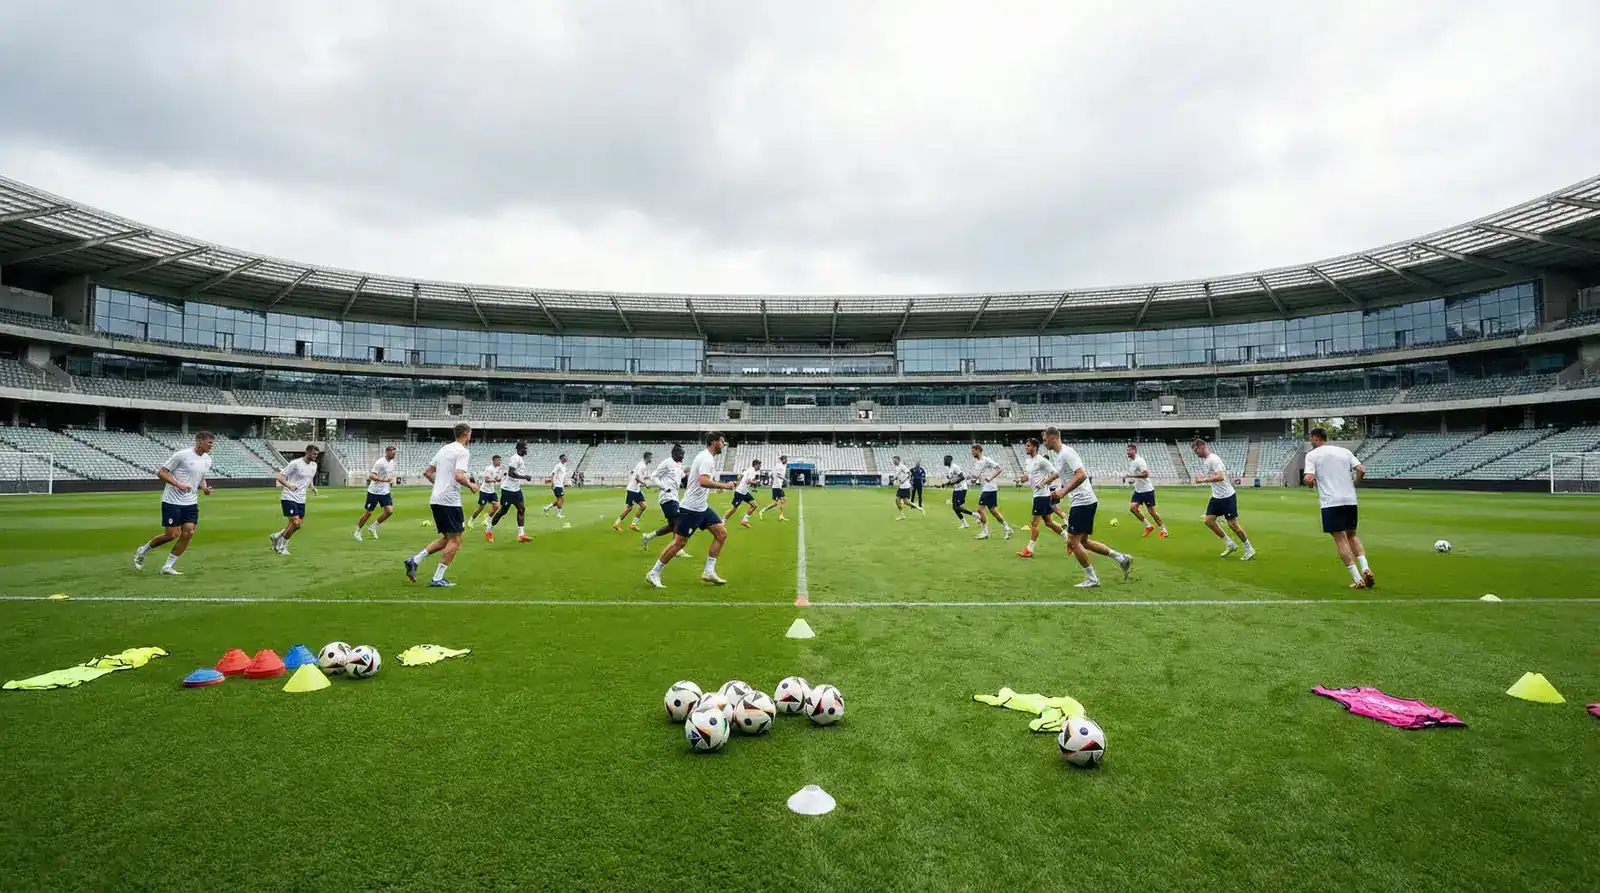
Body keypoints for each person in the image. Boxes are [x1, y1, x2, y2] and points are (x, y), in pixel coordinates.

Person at [1043, 427, 1133, 588]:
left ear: (1053, 438)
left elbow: (1081, 474)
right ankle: (1121, 558)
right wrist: (1048, 482)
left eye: (1044, 439)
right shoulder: (1059, 456)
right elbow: (1063, 473)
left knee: (1072, 541)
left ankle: (1092, 579)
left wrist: (1063, 491)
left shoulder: (1067, 453)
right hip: (1083, 501)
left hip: (1083, 501)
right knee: (1083, 542)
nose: (1043, 442)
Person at [647, 431, 735, 588]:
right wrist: (724, 485)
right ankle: (654, 573)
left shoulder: (706, 457)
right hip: (691, 508)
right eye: (722, 441)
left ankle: (709, 571)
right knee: (679, 543)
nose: (723, 444)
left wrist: (717, 485)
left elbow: (704, 480)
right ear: (714, 442)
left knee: (721, 534)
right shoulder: (707, 458)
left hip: (702, 507)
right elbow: (703, 481)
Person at [405, 422, 479, 587]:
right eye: (470, 434)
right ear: (466, 434)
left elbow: (427, 472)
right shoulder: (463, 452)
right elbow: (459, 476)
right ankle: (437, 578)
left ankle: (414, 560)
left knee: (448, 538)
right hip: (450, 501)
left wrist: (439, 485)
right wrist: (472, 485)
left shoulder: (444, 449)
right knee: (456, 540)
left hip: (436, 498)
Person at [133, 431, 214, 575]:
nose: (211, 446)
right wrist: (178, 484)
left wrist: (205, 488)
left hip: (191, 502)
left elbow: (201, 477)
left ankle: (167, 566)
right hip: (172, 501)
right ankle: (143, 550)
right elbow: (162, 473)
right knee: (171, 535)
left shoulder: (208, 459)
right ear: (199, 441)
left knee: (189, 532)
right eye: (209, 442)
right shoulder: (182, 455)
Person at [1303, 427, 1374, 589]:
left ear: (1315, 438)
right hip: (1350, 500)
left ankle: (1358, 578)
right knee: (1352, 536)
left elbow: (1308, 478)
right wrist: (1355, 483)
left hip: (1331, 502)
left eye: (1310, 438)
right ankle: (1366, 568)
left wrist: (1310, 483)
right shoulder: (1344, 451)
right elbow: (1361, 469)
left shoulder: (1312, 455)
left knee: (1340, 539)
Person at [1192, 439, 1255, 560]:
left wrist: (1203, 480)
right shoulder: (1206, 461)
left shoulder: (1214, 459)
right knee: (1208, 521)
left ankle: (1249, 548)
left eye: (1196, 450)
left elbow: (1220, 477)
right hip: (1216, 496)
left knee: (1232, 525)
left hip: (1227, 496)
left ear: (1202, 446)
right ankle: (1230, 544)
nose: (1196, 453)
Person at [1015, 438, 1067, 558]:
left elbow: (1056, 473)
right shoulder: (1029, 461)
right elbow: (1029, 477)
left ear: (1034, 447)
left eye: (1028, 446)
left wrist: (1043, 483)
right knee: (1049, 522)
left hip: (1042, 496)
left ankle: (1029, 549)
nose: (1026, 448)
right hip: (1038, 496)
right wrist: (1021, 479)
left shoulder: (1042, 461)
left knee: (1034, 522)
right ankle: (1068, 537)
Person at [641, 444, 691, 558]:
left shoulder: (678, 465)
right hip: (667, 497)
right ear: (674, 453)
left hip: (674, 497)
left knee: (672, 526)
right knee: (680, 519)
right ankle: (677, 549)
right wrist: (664, 487)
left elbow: (680, 476)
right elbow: (654, 476)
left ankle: (648, 537)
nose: (683, 457)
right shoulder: (666, 463)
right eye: (681, 454)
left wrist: (686, 471)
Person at [269, 445, 319, 556]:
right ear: (307, 453)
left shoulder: (314, 465)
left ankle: (276, 536)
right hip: (289, 496)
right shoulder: (295, 463)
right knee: (295, 522)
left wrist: (312, 487)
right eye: (314, 454)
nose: (316, 456)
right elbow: (279, 476)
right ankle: (282, 548)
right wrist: (289, 485)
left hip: (301, 499)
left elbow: (309, 477)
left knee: (297, 525)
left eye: (317, 454)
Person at [485, 441, 532, 543]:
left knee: (521, 509)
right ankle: (488, 530)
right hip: (508, 489)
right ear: (520, 449)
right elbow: (511, 474)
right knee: (503, 511)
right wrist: (525, 477)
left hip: (516, 489)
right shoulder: (515, 458)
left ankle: (521, 535)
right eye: (525, 448)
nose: (526, 450)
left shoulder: (520, 459)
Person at [969, 443, 1014, 540]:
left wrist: (990, 477)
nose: (972, 453)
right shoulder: (978, 462)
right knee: (993, 511)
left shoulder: (986, 460)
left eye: (973, 451)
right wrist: (974, 479)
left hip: (989, 487)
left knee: (980, 510)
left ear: (978, 450)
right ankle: (1007, 528)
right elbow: (978, 475)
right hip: (987, 488)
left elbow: (999, 468)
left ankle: (985, 532)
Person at [1123, 443, 1167, 538]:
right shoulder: (1133, 462)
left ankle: (1163, 530)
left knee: (1152, 512)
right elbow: (1134, 477)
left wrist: (1132, 476)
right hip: (1138, 490)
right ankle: (1148, 526)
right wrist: (1130, 480)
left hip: (1147, 490)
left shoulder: (1139, 461)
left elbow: (1146, 474)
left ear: (1134, 450)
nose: (1127, 453)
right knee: (1132, 508)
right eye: (1127, 451)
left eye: (1129, 450)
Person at [354, 444, 398, 541]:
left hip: (385, 492)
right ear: (387, 452)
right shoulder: (380, 462)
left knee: (389, 511)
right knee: (368, 513)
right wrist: (384, 480)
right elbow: (372, 476)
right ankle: (357, 531)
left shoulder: (392, 462)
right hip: (374, 492)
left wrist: (389, 482)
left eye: (395, 453)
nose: (395, 455)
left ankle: (373, 527)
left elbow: (388, 475)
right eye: (393, 453)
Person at [614, 450, 654, 533]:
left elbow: (634, 472)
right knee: (629, 508)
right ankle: (617, 523)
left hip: (636, 489)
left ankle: (633, 524)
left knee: (643, 506)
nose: (652, 459)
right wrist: (645, 483)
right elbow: (636, 477)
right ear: (647, 457)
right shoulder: (642, 466)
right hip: (632, 490)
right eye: (651, 457)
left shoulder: (641, 464)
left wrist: (646, 478)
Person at [939, 454, 977, 528]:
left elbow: (962, 477)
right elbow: (952, 480)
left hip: (962, 488)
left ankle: (975, 515)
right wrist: (944, 484)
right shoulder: (949, 469)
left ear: (949, 460)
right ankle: (964, 523)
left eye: (945, 460)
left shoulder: (955, 467)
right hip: (956, 489)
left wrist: (953, 482)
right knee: (955, 508)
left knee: (957, 507)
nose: (944, 461)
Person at [468, 455, 502, 529]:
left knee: (496, 506)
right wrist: (493, 480)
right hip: (484, 491)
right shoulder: (489, 469)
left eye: (500, 460)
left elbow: (496, 478)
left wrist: (498, 479)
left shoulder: (498, 469)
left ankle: (486, 519)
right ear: (494, 461)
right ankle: (471, 520)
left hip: (491, 491)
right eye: (498, 460)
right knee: (481, 508)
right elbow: (486, 480)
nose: (500, 462)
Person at [726, 459, 762, 528]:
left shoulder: (749, 470)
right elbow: (748, 481)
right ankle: (723, 520)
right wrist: (755, 482)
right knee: (734, 509)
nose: (760, 467)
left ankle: (744, 521)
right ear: (756, 465)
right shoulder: (752, 471)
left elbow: (739, 476)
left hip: (745, 492)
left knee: (754, 505)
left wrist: (738, 484)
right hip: (740, 492)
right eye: (759, 465)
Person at [891, 455, 923, 520]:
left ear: (898, 460)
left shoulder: (902, 466)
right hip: (902, 486)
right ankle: (919, 509)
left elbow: (909, 474)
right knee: (905, 502)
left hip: (905, 486)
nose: (894, 462)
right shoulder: (897, 467)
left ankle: (902, 515)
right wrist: (894, 479)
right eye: (893, 460)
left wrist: (903, 480)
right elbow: (898, 475)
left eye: (895, 460)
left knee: (898, 500)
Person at [758, 454, 789, 521]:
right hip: (776, 487)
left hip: (778, 486)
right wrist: (785, 480)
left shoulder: (782, 465)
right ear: (783, 459)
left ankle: (781, 516)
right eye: (786, 459)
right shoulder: (779, 466)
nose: (787, 460)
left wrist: (774, 480)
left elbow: (771, 474)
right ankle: (762, 511)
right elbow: (778, 475)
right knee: (775, 504)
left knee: (783, 500)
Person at [543, 453, 569, 518]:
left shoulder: (563, 466)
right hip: (557, 485)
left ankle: (547, 507)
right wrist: (552, 483)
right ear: (561, 459)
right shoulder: (558, 465)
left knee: (560, 499)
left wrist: (563, 484)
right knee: (560, 499)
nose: (566, 459)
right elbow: (553, 474)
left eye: (566, 457)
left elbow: (559, 476)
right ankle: (558, 514)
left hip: (560, 485)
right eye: (564, 458)